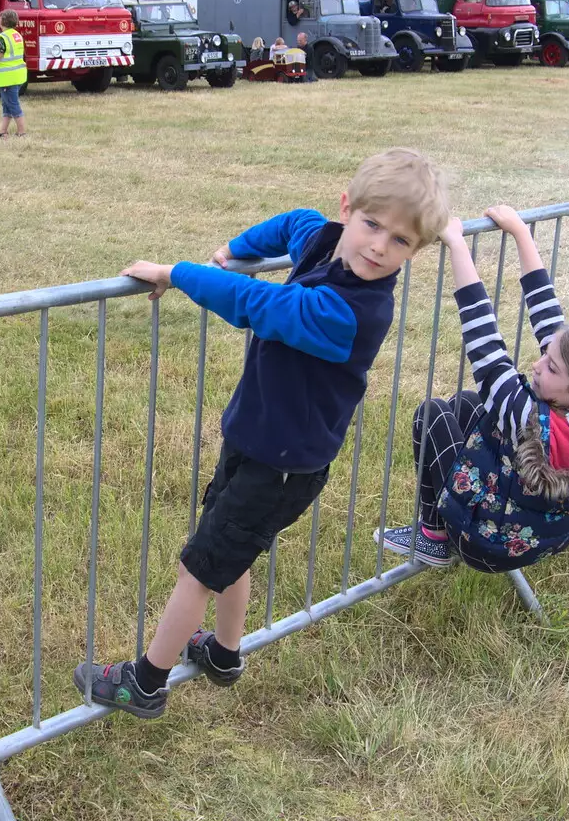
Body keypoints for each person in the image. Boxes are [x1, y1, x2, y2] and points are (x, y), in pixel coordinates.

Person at [74, 148, 452, 718]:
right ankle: (225, 654)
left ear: (416, 250)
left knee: (198, 568)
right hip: (254, 441)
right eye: (372, 225)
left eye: (400, 241)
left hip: (284, 466)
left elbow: (257, 302)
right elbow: (293, 222)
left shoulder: (352, 312)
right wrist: (233, 251)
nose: (379, 246)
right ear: (346, 209)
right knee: (234, 554)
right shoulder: (325, 241)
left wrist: (176, 274)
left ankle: (146, 683)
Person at [376, 206, 569, 572]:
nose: (537, 364)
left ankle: (435, 535)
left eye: (550, 367)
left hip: (484, 544)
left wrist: (457, 244)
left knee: (433, 415)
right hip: (531, 539)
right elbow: (548, 318)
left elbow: (483, 338)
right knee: (466, 403)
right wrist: (521, 233)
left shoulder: (527, 415)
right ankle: (458, 523)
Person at [0, 8, 27, 138]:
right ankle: (2, 131)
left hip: (7, 78)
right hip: (18, 75)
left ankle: (21, 131)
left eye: (0, 18)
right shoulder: (17, 36)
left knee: (12, 104)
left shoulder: (1, 38)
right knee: (7, 105)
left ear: (3, 21)